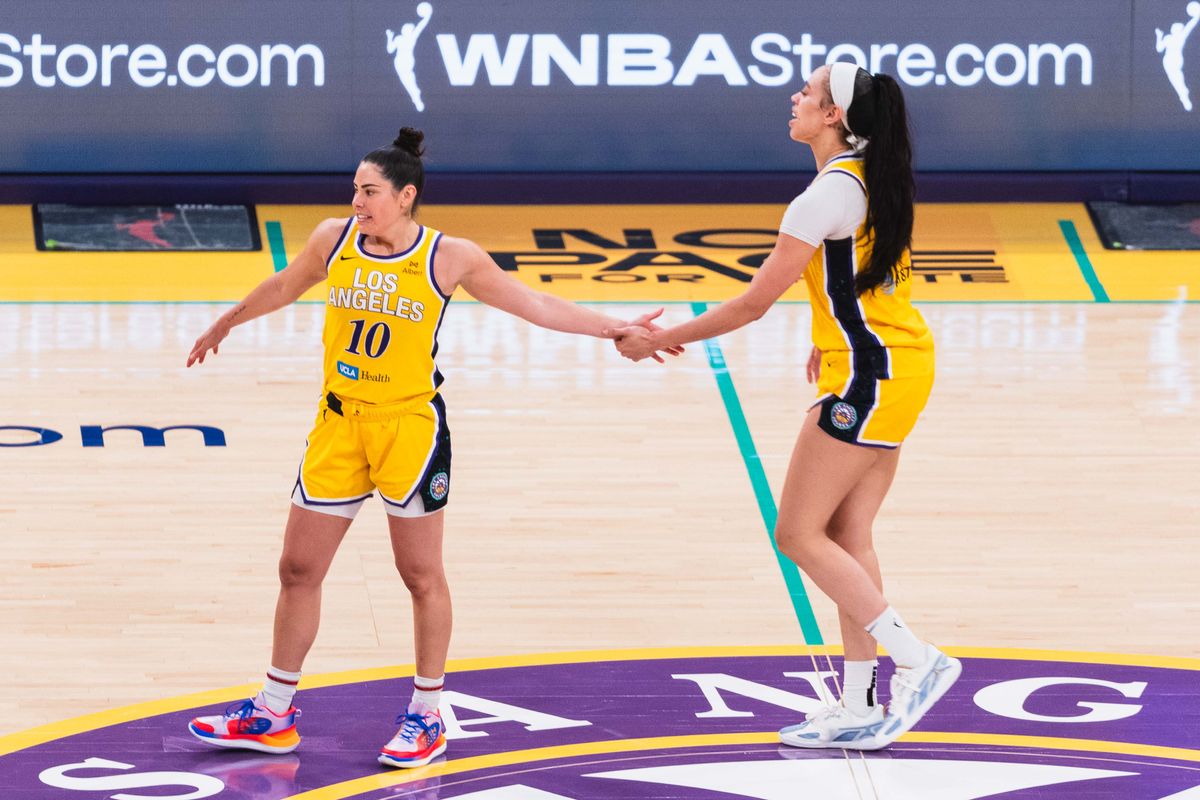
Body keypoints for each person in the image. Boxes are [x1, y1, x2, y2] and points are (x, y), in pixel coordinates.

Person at [184, 127, 677, 768]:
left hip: (409, 429)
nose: (357, 201)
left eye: (369, 192)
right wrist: (229, 319)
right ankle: (274, 711)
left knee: (419, 575)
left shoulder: (450, 256)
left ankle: (427, 713)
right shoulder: (332, 239)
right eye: (354, 190)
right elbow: (286, 284)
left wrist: (613, 326)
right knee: (297, 571)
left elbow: (531, 303)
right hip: (339, 425)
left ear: (405, 195)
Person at [609, 62, 960, 750]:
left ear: (834, 116)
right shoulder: (870, 175)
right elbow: (862, 280)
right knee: (848, 538)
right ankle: (860, 702)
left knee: (797, 534)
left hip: (870, 378)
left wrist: (657, 339)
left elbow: (751, 302)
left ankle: (918, 659)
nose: (794, 98)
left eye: (809, 92)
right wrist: (828, 341)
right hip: (894, 367)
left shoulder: (824, 196)